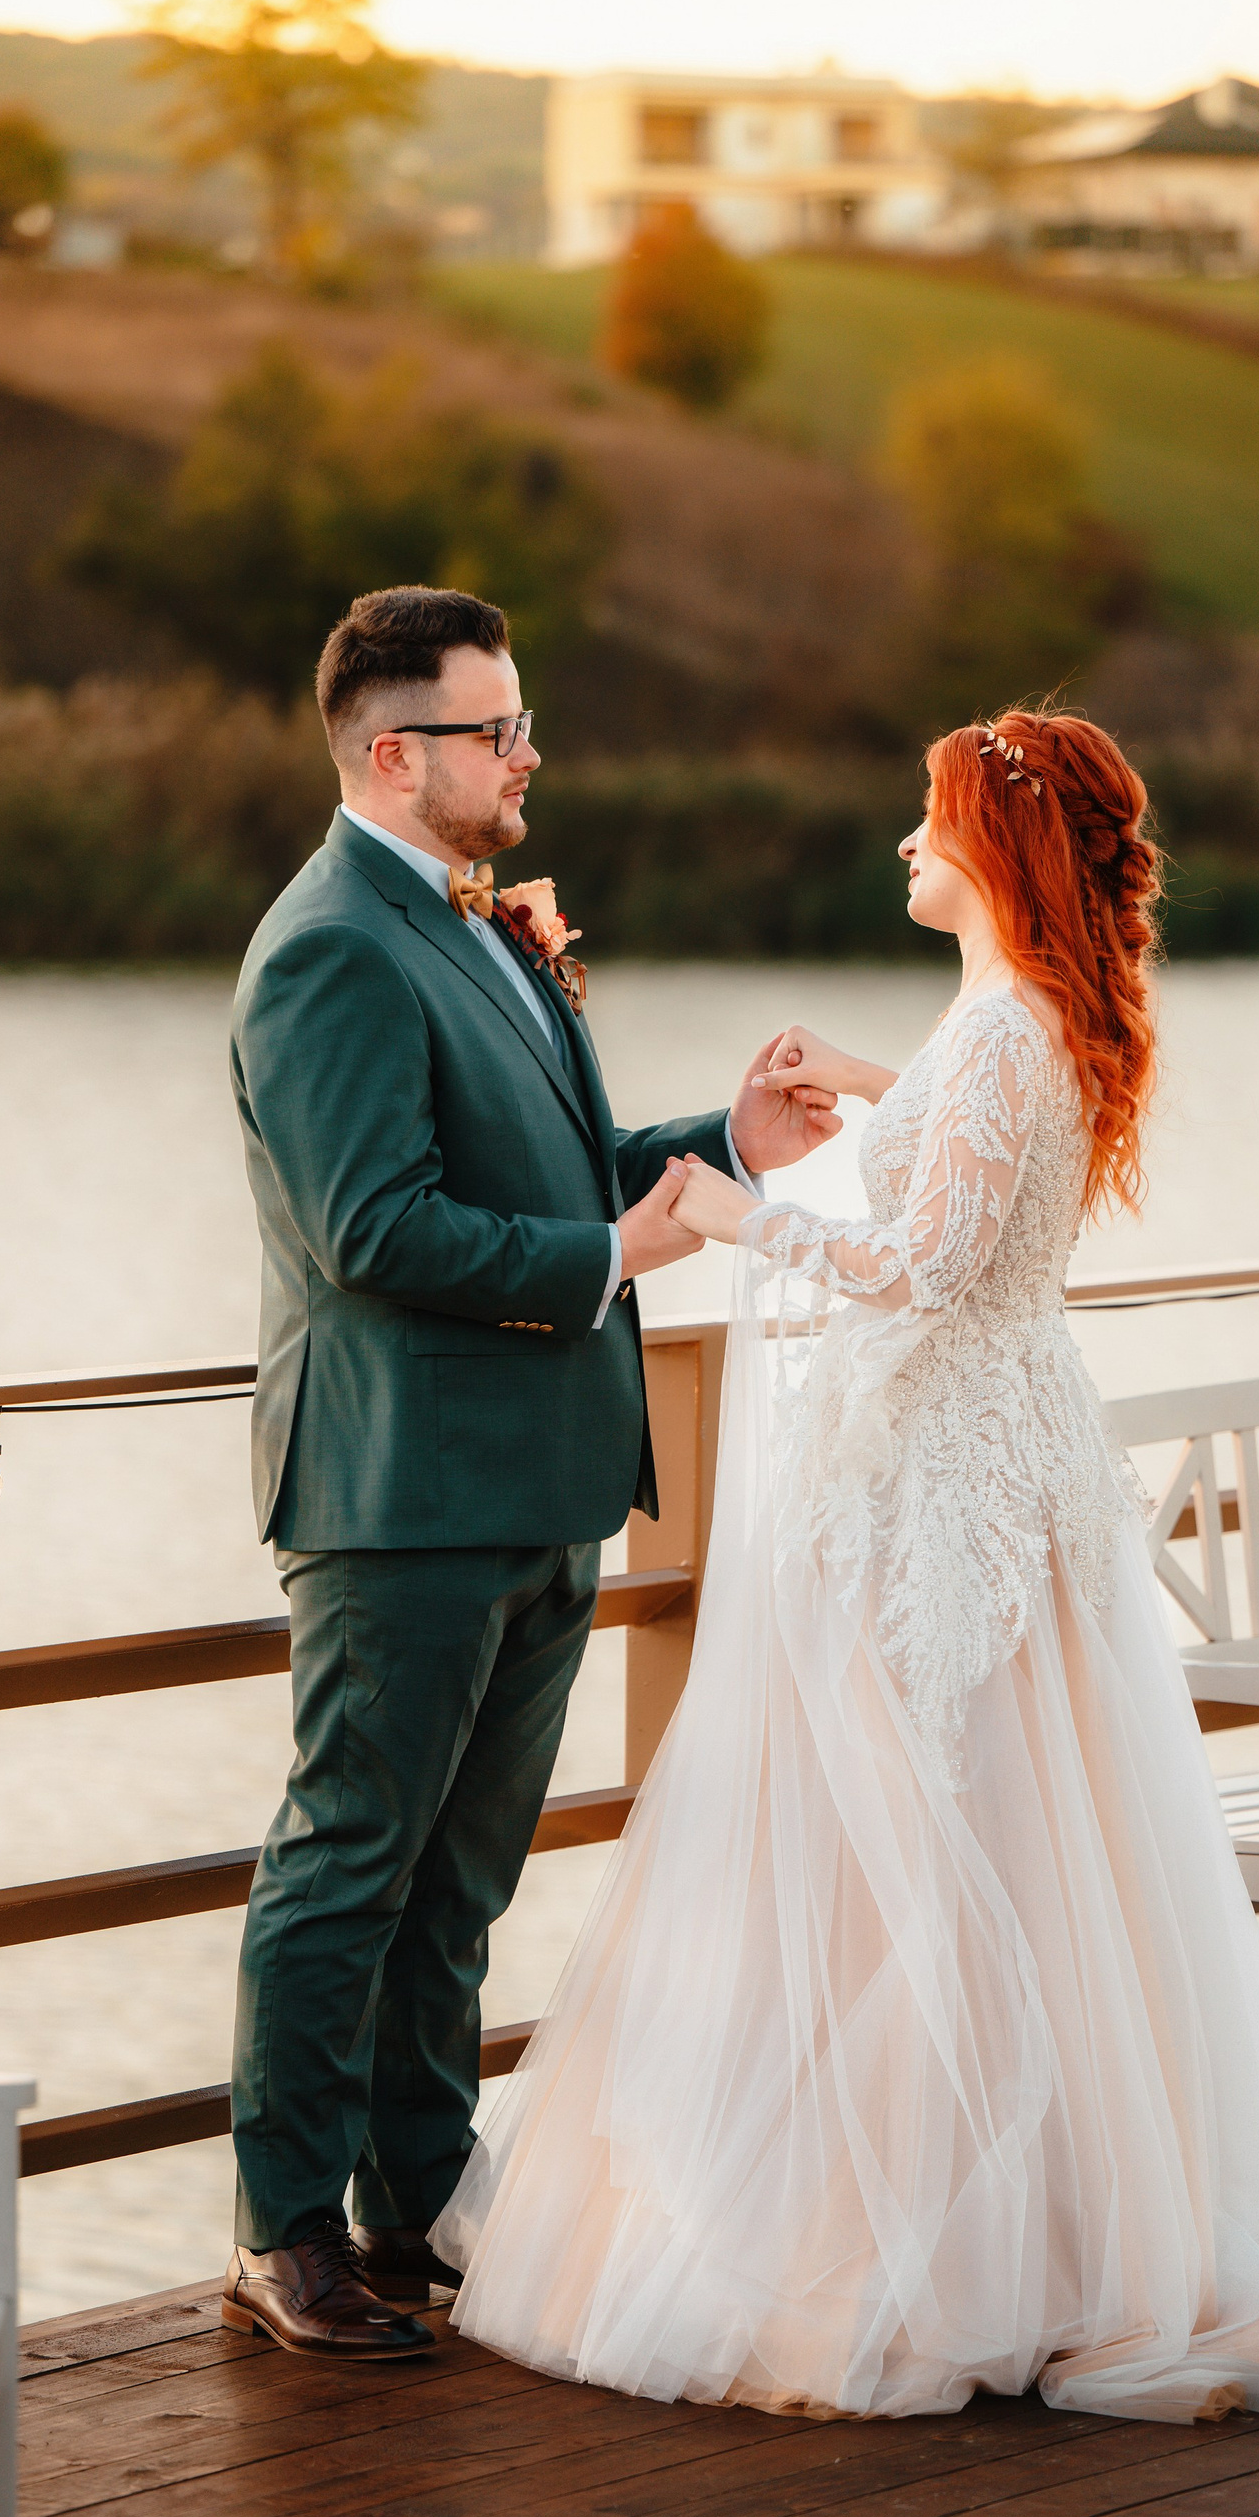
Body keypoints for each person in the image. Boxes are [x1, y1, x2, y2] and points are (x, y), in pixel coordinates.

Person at [431, 705, 1259, 2424]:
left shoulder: (1002, 1028)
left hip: (940, 1494)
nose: (906, 843)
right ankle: (1030, 2214)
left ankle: (935, 2241)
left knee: (925, 1830)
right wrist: (867, 1081)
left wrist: (735, 1211)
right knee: (1004, 1831)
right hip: (999, 1467)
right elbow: (975, 1161)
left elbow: (921, 1264)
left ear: (994, 845)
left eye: (929, 819)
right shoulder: (1024, 1014)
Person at [222, 584, 838, 2360]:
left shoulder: (479, 923)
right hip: (402, 1490)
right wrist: (616, 1258)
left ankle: (416, 2193)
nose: (528, 754)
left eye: (522, 721)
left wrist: (722, 1146)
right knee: (351, 1860)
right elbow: (373, 1228)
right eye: (496, 729)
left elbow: (559, 1164)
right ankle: (285, 2230)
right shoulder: (330, 946)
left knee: (461, 1878)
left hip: (542, 1479)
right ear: (391, 755)